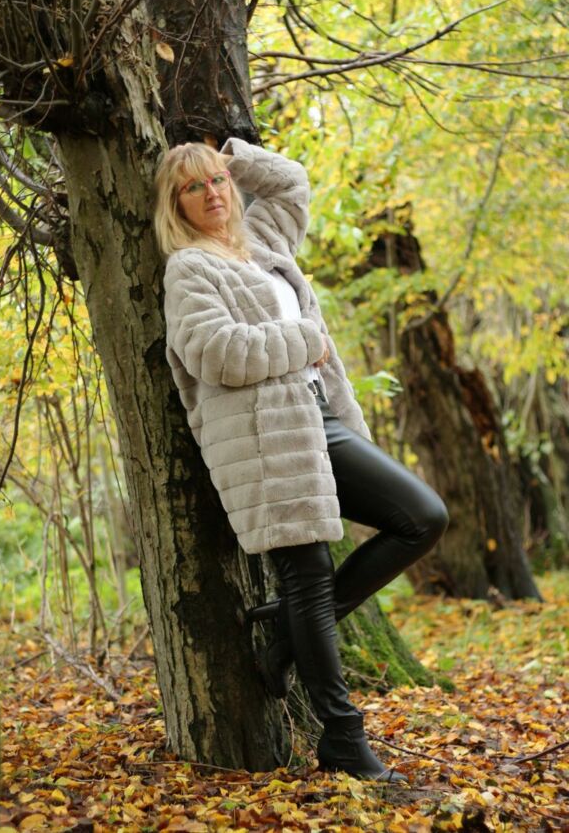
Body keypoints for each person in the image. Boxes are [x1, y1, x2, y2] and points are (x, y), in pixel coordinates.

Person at [155, 137, 449, 783]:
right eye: (193, 187)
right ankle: (343, 737)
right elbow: (216, 354)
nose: (211, 193)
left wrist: (231, 157)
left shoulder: (262, 241)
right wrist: (304, 338)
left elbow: (291, 183)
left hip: (319, 419)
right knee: (309, 576)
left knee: (422, 517)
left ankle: (286, 635)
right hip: (264, 436)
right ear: (175, 206)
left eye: (217, 181)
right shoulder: (189, 269)